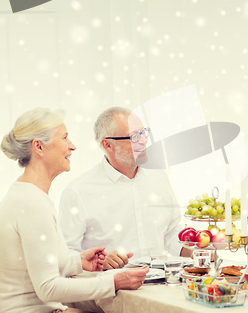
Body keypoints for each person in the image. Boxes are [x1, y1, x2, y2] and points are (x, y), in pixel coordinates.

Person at [0, 108, 148, 313]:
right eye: (64, 138)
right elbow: (48, 288)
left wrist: (77, 262)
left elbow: (34, 265)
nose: (72, 146)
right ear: (39, 147)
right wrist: (114, 282)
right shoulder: (31, 203)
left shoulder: (27, 195)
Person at [58, 107, 186, 270]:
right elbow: (64, 254)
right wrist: (100, 263)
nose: (144, 141)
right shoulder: (78, 191)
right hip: (112, 291)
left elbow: (171, 233)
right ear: (108, 145)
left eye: (144, 133)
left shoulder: (158, 177)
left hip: (161, 286)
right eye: (134, 136)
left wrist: (199, 250)